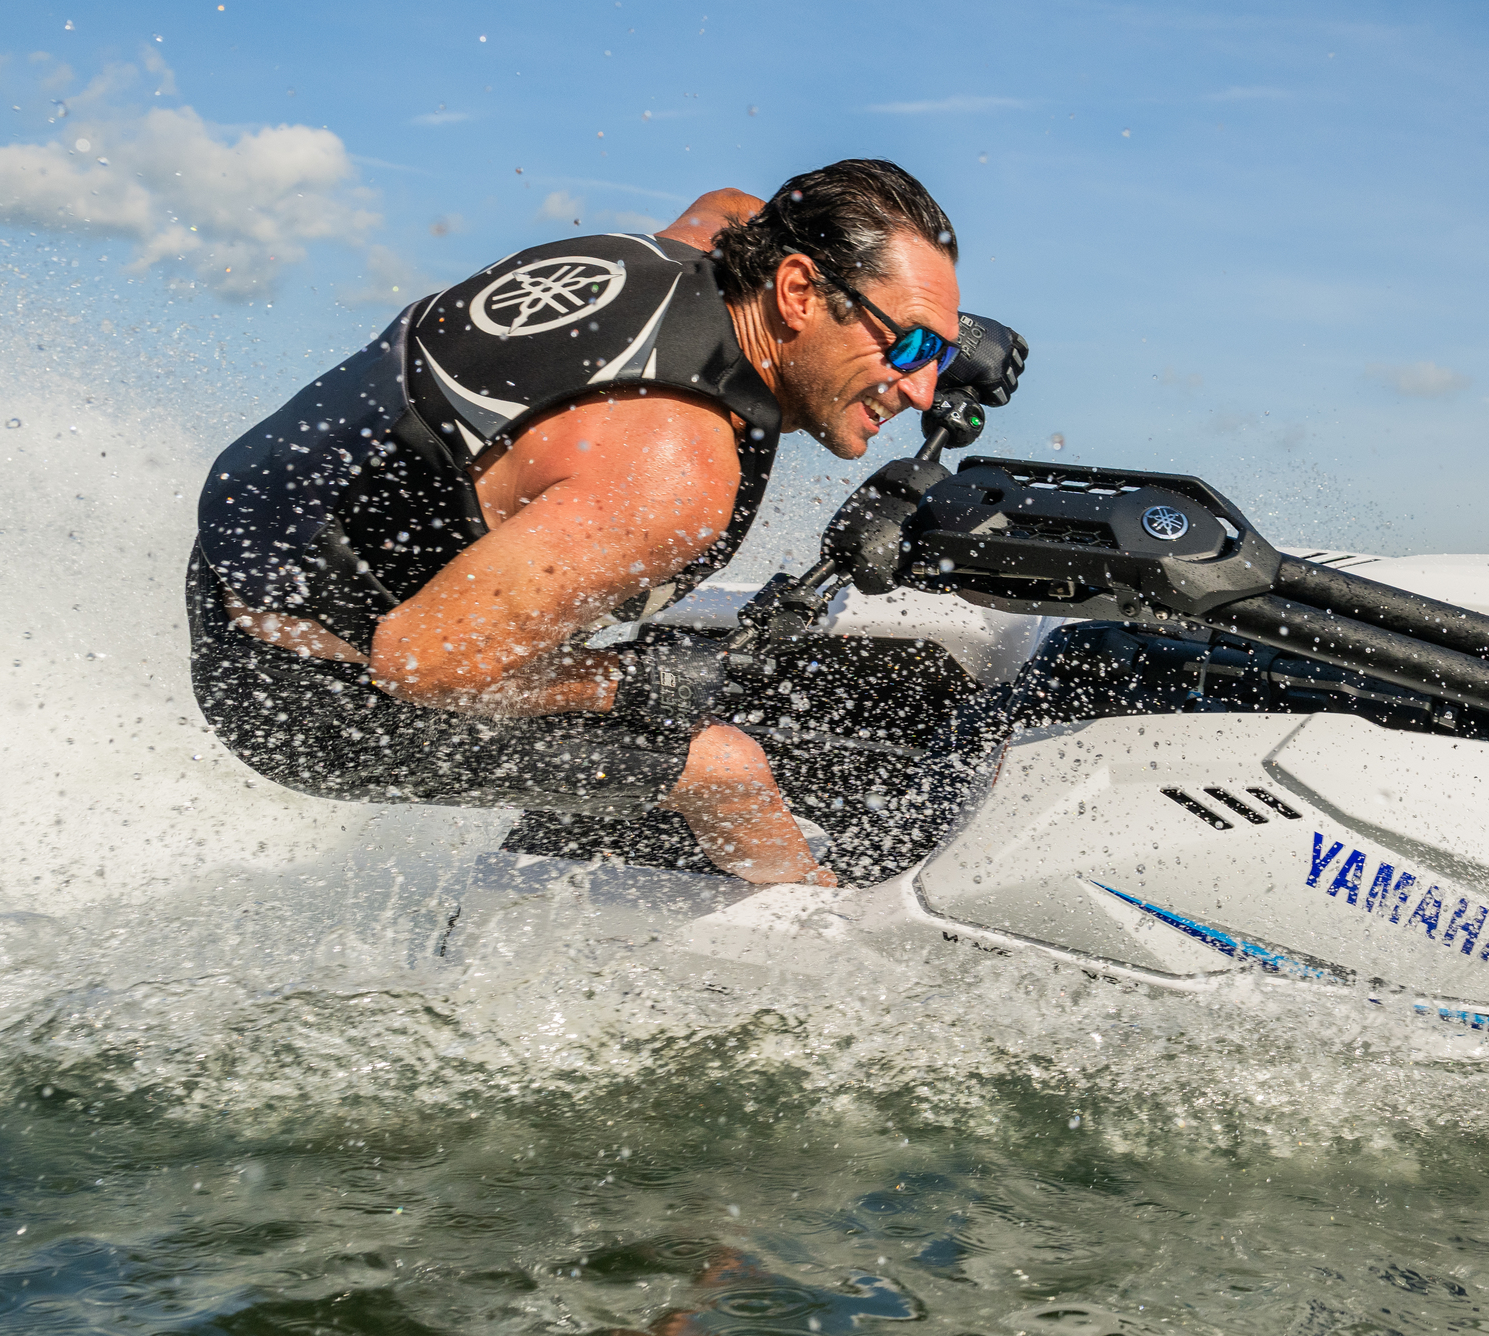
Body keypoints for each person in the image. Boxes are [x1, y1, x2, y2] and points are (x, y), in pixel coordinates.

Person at [188, 160, 974, 886]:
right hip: (298, 687)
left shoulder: (723, 241)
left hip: (254, 552)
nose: (922, 393)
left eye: (938, 353)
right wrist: (626, 681)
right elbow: (422, 667)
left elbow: (735, 203)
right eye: (908, 347)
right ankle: (815, 949)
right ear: (797, 292)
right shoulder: (670, 479)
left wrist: (939, 335)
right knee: (726, 767)